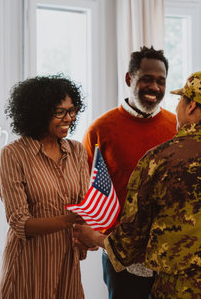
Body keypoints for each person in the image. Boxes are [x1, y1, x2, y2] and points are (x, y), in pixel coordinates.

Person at [75, 71, 201, 298]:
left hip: (178, 291)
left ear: (191, 106)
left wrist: (94, 237)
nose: (177, 107)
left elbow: (130, 241)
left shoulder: (159, 159)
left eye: (180, 100)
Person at [82, 46, 177, 298]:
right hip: (120, 254)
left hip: (171, 251)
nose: (155, 87)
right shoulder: (99, 130)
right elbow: (84, 187)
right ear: (129, 79)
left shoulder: (179, 126)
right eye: (147, 78)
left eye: (161, 81)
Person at [0, 75, 90, 299]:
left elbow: (85, 205)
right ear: (38, 113)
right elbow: (20, 223)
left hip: (67, 265)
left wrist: (89, 234)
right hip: (29, 267)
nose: (68, 118)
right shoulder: (13, 154)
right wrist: (70, 220)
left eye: (72, 110)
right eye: (60, 112)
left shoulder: (77, 151)